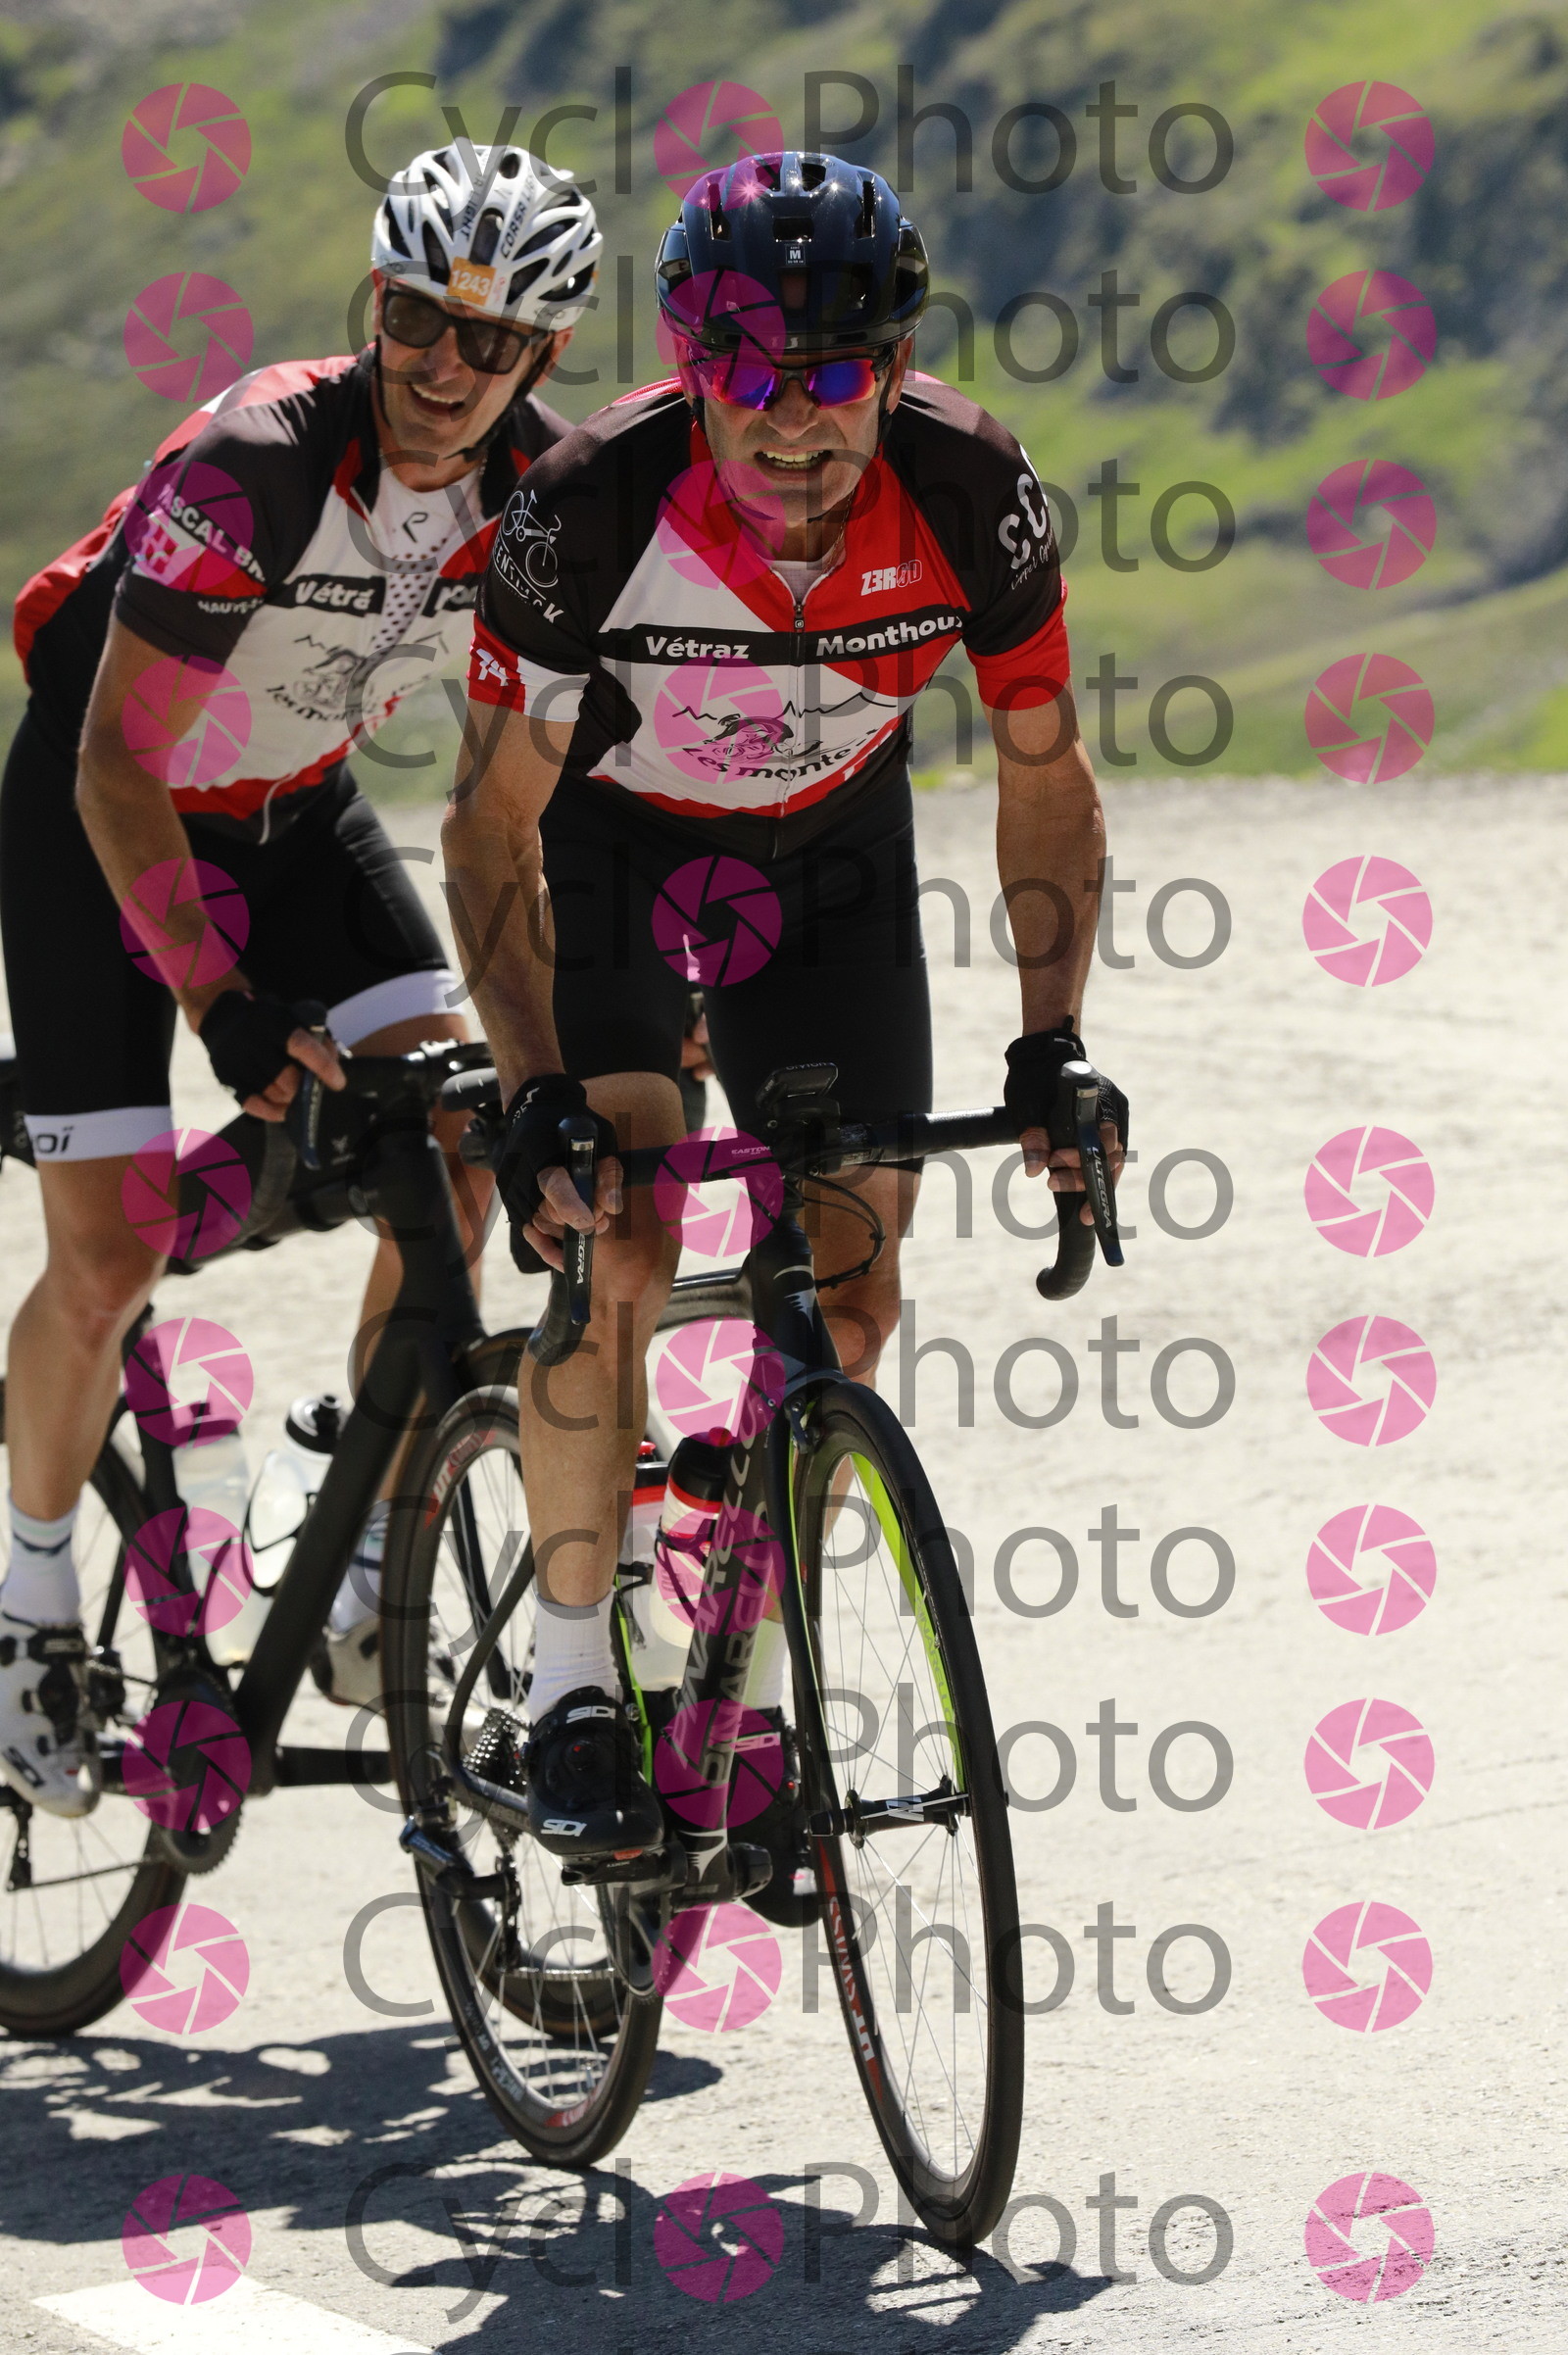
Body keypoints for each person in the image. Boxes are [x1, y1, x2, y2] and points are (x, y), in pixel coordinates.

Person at [443, 151, 1126, 1917]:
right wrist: (533, 1089)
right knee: (621, 1230)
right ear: (689, 364)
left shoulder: (971, 491)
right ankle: (572, 1680)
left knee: (853, 1294)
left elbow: (1047, 775)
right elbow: (487, 825)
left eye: (830, 372)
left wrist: (1052, 1047)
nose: (789, 413)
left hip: (828, 864)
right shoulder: (592, 506)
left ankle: (734, 1695)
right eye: (744, 369)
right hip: (612, 851)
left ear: (893, 370)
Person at [0, 143, 602, 1814]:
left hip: (291, 809)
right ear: (376, 303)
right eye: (416, 318)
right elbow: (115, 765)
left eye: (493, 342)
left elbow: (536, 793)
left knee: (462, 1137)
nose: (445, 367)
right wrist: (226, 1008)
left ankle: (361, 1528)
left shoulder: (545, 502)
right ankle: (28, 1599)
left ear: (543, 356)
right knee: (111, 1248)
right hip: (103, 814)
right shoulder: (257, 462)